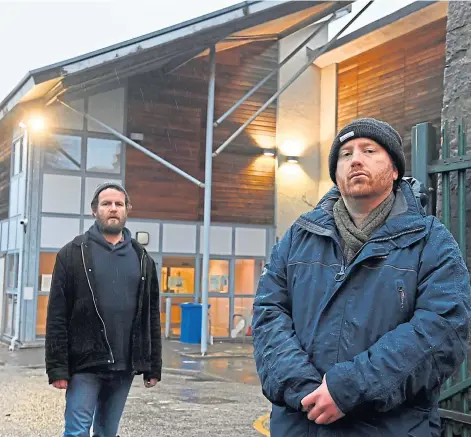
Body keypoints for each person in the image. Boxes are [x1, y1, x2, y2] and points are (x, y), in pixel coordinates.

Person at [252, 118, 471, 437]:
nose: (355, 159)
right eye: (345, 154)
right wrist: (301, 388)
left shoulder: (430, 242)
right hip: (301, 423)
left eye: (370, 150)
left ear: (395, 169)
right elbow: (269, 313)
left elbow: (443, 327)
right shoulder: (299, 236)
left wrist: (348, 388)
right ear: (335, 173)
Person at [45, 182, 162, 437]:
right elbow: (57, 314)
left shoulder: (143, 260)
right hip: (85, 364)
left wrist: (153, 366)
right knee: (76, 432)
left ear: (127, 209)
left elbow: (151, 317)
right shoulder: (72, 254)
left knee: (108, 433)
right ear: (94, 210)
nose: (113, 209)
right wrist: (57, 368)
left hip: (124, 366)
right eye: (106, 204)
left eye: (118, 204)